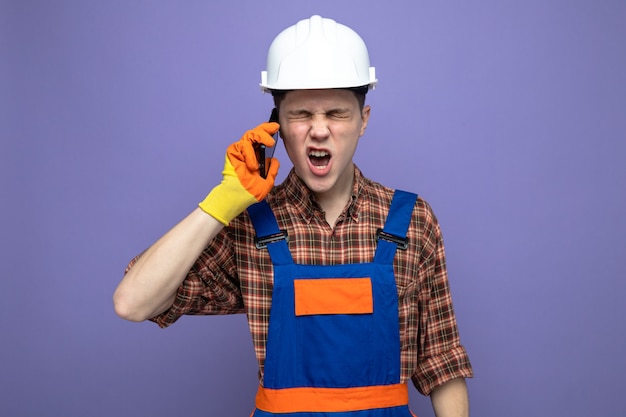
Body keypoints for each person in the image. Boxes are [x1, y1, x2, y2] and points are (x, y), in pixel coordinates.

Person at [114, 15, 473, 417]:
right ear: (278, 127)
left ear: (363, 121)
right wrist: (221, 202)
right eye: (302, 114)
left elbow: (442, 362)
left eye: (336, 113)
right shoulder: (250, 225)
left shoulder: (412, 221)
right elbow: (133, 302)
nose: (319, 130)